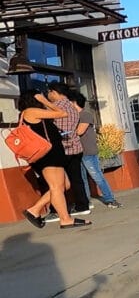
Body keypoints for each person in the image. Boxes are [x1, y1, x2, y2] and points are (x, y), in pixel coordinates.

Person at [18, 91, 91, 229]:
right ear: (35, 98)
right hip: (48, 156)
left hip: (52, 155)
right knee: (57, 186)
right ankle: (65, 219)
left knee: (64, 185)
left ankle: (34, 210)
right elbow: (62, 113)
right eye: (40, 96)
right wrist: (45, 101)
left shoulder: (34, 112)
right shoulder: (31, 111)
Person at [71, 92, 122, 209]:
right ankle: (86, 200)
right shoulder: (74, 117)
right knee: (82, 178)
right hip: (78, 151)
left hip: (88, 151)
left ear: (74, 103)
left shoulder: (85, 115)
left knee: (97, 176)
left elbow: (79, 131)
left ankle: (110, 199)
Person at [47, 82, 90, 215]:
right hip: (75, 146)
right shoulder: (72, 106)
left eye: (48, 92)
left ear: (54, 92)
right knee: (76, 178)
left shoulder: (54, 108)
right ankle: (83, 206)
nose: (47, 95)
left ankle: (57, 209)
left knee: (57, 182)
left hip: (62, 148)